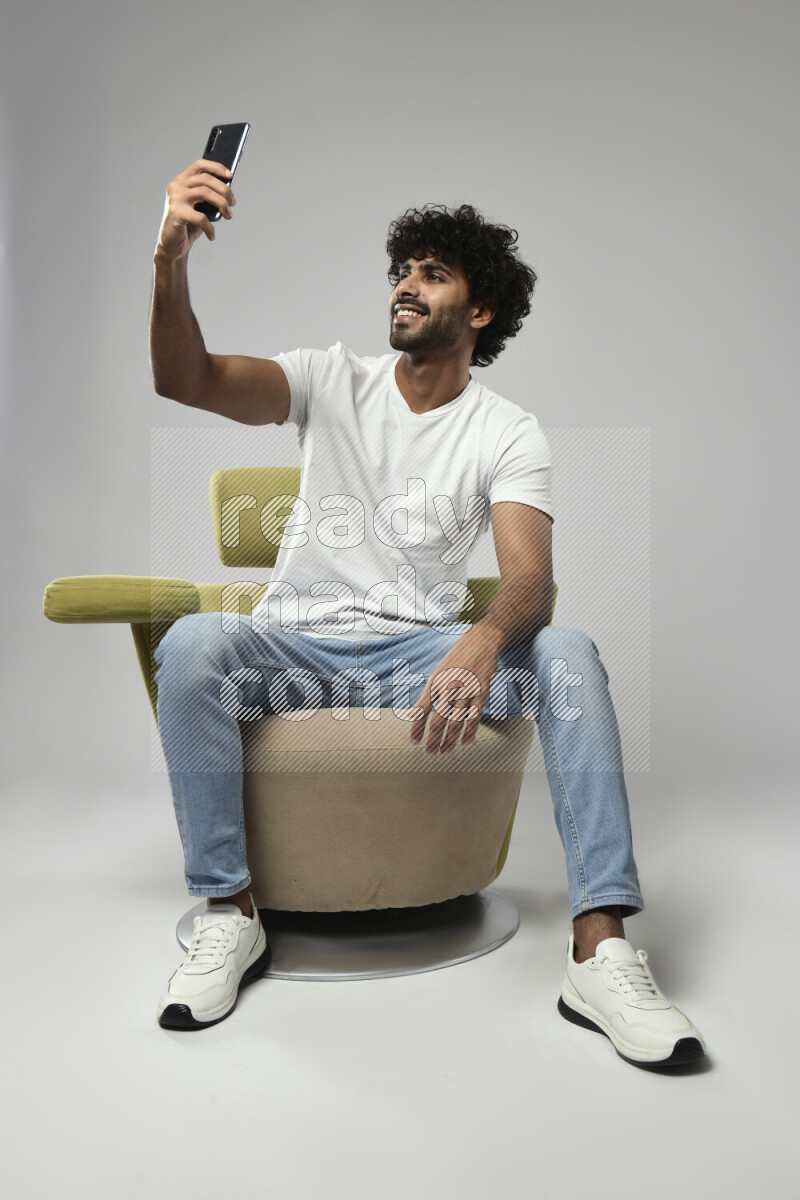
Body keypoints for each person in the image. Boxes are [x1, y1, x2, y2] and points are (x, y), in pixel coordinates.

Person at [148, 158, 706, 1067]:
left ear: (479, 311)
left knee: (565, 649)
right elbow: (187, 377)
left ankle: (600, 948)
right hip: (296, 644)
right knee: (194, 638)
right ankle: (229, 912)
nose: (406, 285)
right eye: (402, 270)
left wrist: (486, 639)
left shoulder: (507, 429)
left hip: (418, 653)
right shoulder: (330, 380)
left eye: (432, 272)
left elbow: (528, 576)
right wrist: (170, 256)